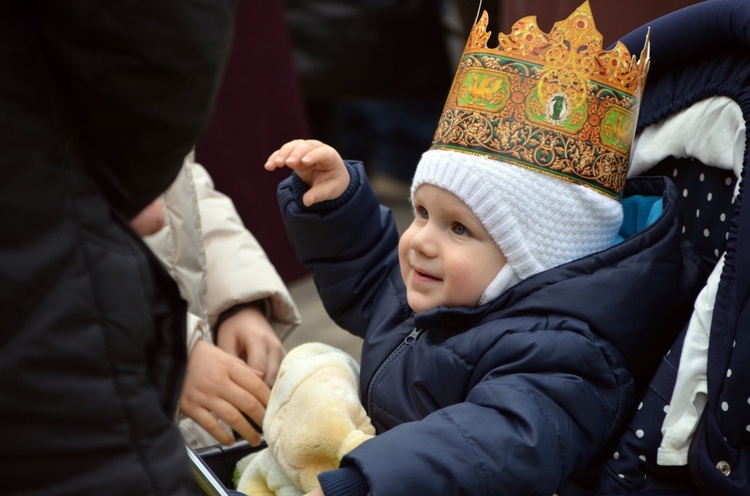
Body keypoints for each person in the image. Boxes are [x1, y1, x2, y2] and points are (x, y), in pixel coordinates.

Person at [261, 4, 703, 495]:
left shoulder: (567, 360)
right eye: (423, 213)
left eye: (459, 230)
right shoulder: (455, 296)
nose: (421, 239)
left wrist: (367, 482)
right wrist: (337, 204)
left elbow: (486, 447)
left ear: (533, 260)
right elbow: (372, 287)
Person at [0, 1, 234, 494]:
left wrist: (241, 301)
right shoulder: (102, 143)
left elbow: (195, 193)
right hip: (115, 353)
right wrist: (187, 344)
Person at [137, 153, 301, 449]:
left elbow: (184, 189)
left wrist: (236, 302)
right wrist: (171, 351)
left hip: (191, 420)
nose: (154, 215)